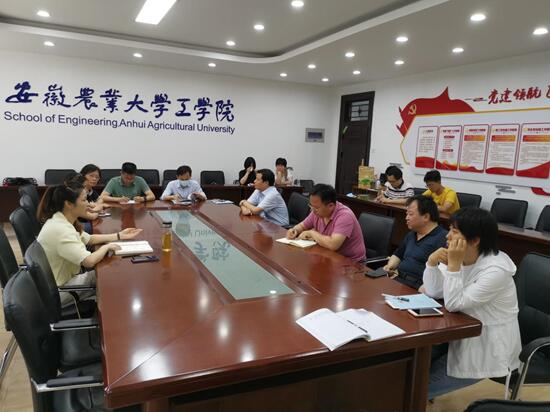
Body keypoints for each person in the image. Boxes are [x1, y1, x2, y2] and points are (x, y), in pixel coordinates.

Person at [422, 207, 521, 399]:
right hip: (456, 335)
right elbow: (435, 291)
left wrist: (453, 266)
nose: (447, 236)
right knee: (409, 364)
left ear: (475, 240)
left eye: (454, 232)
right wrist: (432, 263)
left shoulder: (496, 269)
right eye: (449, 229)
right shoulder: (464, 257)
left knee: (418, 388)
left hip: (485, 348)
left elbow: (453, 303)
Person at [37, 183, 142, 306]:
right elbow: (89, 261)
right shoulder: (60, 229)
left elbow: (89, 239)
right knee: (107, 274)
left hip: (56, 283)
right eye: (83, 200)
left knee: (108, 272)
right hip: (59, 291)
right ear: (69, 204)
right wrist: (106, 247)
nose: (88, 203)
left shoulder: (61, 220)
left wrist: (119, 235)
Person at [286, 184, 366, 262]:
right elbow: (302, 226)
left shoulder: (344, 216)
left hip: (351, 264)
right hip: (328, 256)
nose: (312, 210)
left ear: (330, 206)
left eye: (316, 207)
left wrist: (312, 233)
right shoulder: (316, 212)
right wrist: (294, 230)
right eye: (311, 206)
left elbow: (333, 244)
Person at [383, 195, 447, 289]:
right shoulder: (412, 234)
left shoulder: (444, 239)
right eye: (406, 214)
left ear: (426, 217)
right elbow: (398, 254)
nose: (406, 218)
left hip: (419, 287)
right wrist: (389, 266)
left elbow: (444, 274)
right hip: (398, 280)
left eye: (410, 214)